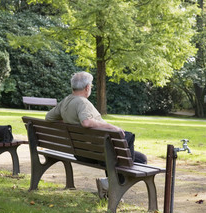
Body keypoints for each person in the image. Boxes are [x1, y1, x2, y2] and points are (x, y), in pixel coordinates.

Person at [45, 71, 147, 199]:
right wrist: (112, 127)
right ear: (87, 87)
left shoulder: (65, 101)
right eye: (91, 86)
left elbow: (48, 117)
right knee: (126, 138)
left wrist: (68, 121)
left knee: (141, 159)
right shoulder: (82, 102)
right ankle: (112, 184)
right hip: (97, 152)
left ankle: (109, 184)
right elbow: (86, 122)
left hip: (82, 152)